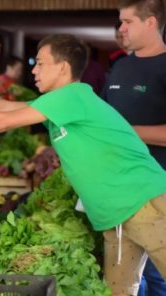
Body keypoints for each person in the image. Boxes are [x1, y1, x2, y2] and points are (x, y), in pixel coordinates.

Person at [0, 33, 166, 296]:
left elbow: (2, 122)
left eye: (41, 63)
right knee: (119, 291)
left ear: (63, 67)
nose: (34, 69)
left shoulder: (72, 96)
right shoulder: (58, 103)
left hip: (145, 203)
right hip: (116, 217)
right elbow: (1, 108)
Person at [101, 1, 166, 295]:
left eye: (128, 21)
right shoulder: (121, 66)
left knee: (158, 279)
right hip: (119, 194)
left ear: (150, 22)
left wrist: (127, 133)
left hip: (158, 191)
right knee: (123, 284)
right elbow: (102, 120)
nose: (121, 28)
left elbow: (119, 130)